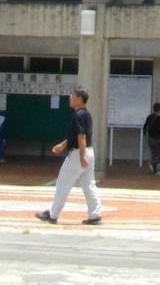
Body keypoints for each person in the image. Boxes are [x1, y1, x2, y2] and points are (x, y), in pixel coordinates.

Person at [37, 87, 102, 225]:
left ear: (79, 99)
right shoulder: (86, 114)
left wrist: (81, 156)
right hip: (89, 152)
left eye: (72, 95)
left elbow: (81, 136)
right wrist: (63, 145)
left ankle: (53, 215)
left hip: (79, 153)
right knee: (89, 184)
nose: (70, 97)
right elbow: (78, 136)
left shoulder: (78, 116)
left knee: (63, 183)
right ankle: (95, 214)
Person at [142, 101, 160, 175]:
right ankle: (153, 164)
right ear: (159, 109)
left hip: (150, 139)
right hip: (157, 139)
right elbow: (159, 129)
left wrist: (145, 134)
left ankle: (154, 171)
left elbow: (145, 126)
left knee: (154, 154)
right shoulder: (159, 118)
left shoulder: (149, 117)